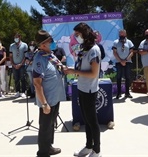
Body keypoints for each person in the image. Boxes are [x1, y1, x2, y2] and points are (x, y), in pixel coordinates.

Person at [64, 22, 102, 157]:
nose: (76, 37)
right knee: (86, 120)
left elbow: (93, 73)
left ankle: (97, 150)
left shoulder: (94, 50)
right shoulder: (84, 48)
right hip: (81, 87)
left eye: (78, 34)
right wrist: (72, 70)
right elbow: (81, 66)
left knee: (92, 121)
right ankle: (88, 146)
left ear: (84, 34)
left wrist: (75, 71)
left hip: (90, 90)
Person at [33, 30, 66, 157]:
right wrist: (44, 104)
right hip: (47, 100)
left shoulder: (50, 55)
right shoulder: (39, 59)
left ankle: (49, 147)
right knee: (45, 127)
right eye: (49, 41)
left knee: (51, 124)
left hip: (55, 97)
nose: (52, 42)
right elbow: (37, 83)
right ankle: (42, 153)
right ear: (42, 45)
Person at [112, 29, 134, 99]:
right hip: (119, 62)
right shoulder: (115, 42)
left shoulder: (129, 42)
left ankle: (127, 93)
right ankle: (118, 93)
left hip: (127, 62)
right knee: (118, 78)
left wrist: (126, 60)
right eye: (120, 34)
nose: (121, 35)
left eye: (123, 34)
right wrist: (121, 61)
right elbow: (114, 53)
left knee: (127, 77)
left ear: (125, 34)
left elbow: (132, 52)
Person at [9, 33, 28, 98]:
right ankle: (17, 91)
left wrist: (21, 63)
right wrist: (13, 64)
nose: (16, 39)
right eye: (15, 37)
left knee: (22, 78)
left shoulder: (24, 45)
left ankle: (23, 92)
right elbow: (10, 56)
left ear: (20, 37)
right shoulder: (12, 45)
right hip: (14, 65)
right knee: (16, 78)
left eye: (17, 37)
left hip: (22, 65)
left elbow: (25, 56)